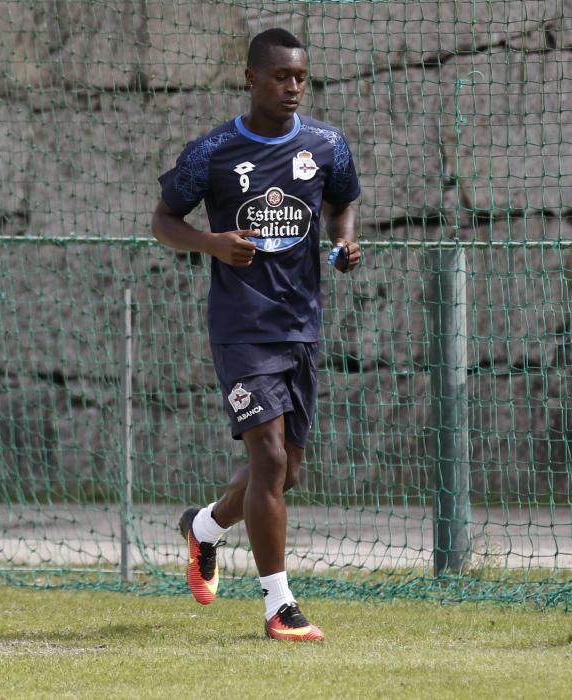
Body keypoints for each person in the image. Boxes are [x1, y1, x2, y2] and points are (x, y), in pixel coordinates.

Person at [151, 28, 361, 642]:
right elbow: (164, 220)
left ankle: (206, 530)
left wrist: (344, 241)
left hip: (301, 326)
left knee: (286, 473)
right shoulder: (213, 152)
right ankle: (279, 607)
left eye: (300, 76)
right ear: (250, 79)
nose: (292, 86)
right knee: (266, 457)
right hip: (241, 327)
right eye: (279, 76)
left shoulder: (326, 145)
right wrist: (210, 242)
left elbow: (342, 203)